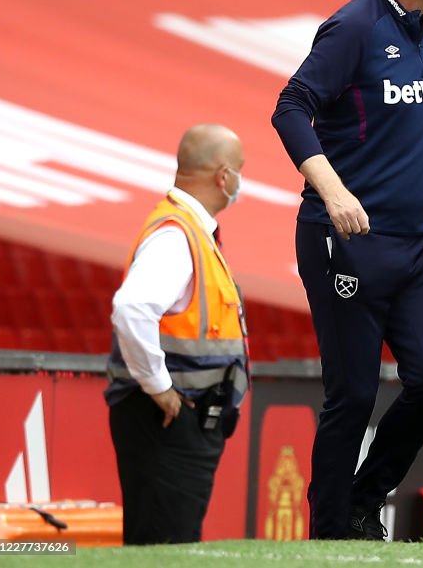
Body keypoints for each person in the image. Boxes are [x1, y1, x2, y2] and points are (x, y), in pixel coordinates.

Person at [271, 0, 423, 540]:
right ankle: (332, 534)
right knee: (354, 396)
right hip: (350, 244)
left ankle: (364, 497)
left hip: (421, 245)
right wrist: (332, 190)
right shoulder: (353, 28)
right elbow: (291, 107)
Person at [106, 124, 249, 545]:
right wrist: (159, 387)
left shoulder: (188, 230)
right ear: (223, 176)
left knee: (168, 539)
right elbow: (131, 309)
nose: (241, 180)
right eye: (240, 170)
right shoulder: (177, 234)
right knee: (165, 545)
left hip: (180, 418)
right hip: (167, 418)